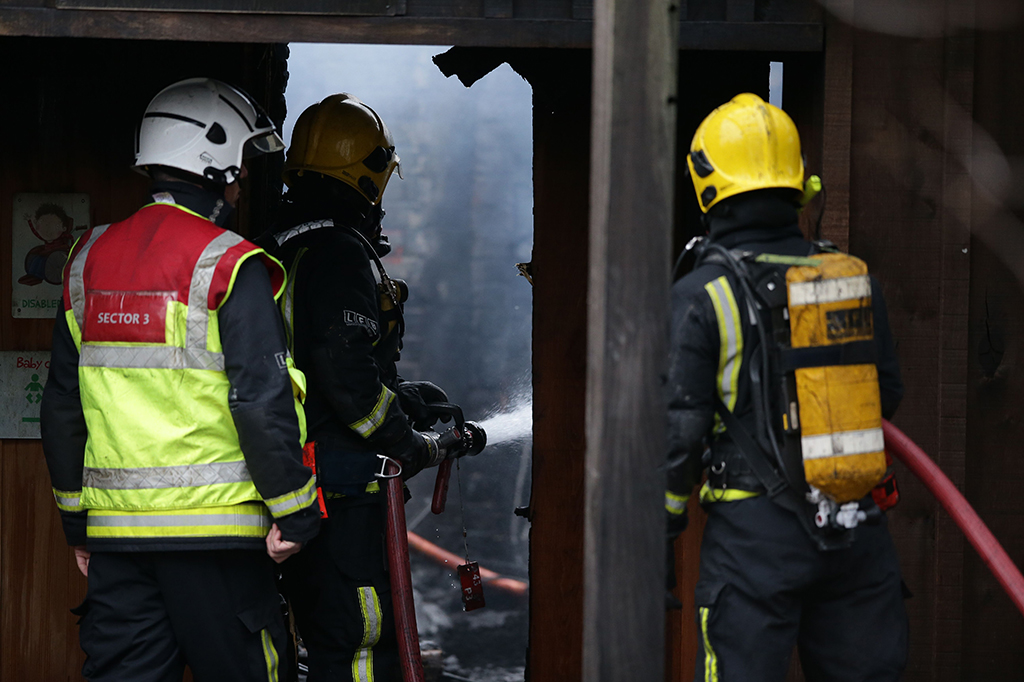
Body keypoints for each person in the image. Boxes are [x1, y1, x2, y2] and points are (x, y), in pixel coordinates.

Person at [41, 77, 320, 682]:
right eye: (241, 168)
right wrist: (295, 509)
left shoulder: (86, 261)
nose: (242, 185)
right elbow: (260, 398)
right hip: (218, 541)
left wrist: (76, 522)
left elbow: (62, 404)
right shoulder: (231, 263)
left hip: (116, 541)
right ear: (215, 163)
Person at [667, 93, 908, 681]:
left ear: (707, 185)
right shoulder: (849, 277)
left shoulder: (704, 295)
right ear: (799, 183)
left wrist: (655, 544)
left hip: (755, 542)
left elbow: (675, 439)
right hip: (856, 534)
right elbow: (887, 395)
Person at [265, 93, 455, 682]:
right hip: (342, 490)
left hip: (297, 480)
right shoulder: (340, 253)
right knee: (362, 642)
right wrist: (407, 441)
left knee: (321, 635)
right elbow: (346, 379)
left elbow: (316, 362)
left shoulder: (282, 244)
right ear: (368, 174)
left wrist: (409, 399)